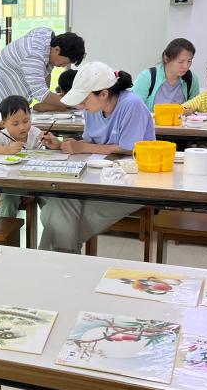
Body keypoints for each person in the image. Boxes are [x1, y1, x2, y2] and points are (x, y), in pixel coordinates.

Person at [39, 62, 154, 254]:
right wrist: (61, 144)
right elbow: (89, 143)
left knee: (57, 210)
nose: (80, 106)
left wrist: (83, 147)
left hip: (131, 184)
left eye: (84, 100)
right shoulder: (92, 110)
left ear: (104, 94)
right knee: (61, 202)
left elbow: (129, 148)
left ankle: (57, 262)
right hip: (96, 180)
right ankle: (64, 261)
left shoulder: (131, 105)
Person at [0, 28, 85, 140]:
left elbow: (44, 81)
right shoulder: (34, 54)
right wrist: (74, 103)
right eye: (65, 62)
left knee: (13, 142)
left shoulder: (48, 43)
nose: (63, 66)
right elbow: (40, 93)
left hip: (14, 98)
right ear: (57, 50)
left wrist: (55, 101)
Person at [0, 95, 60, 218]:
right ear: (4, 123)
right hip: (11, 183)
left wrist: (50, 142)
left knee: (50, 200)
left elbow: (51, 151)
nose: (22, 127)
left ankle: (51, 224)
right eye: (15, 123)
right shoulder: (4, 135)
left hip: (35, 181)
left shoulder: (35, 133)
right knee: (8, 199)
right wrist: (7, 150)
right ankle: (8, 226)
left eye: (26, 121)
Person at [132, 38, 200, 109]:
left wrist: (189, 110)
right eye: (180, 62)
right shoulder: (146, 77)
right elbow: (135, 109)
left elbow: (194, 108)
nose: (185, 66)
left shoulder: (192, 79)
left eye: (189, 61)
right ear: (166, 58)